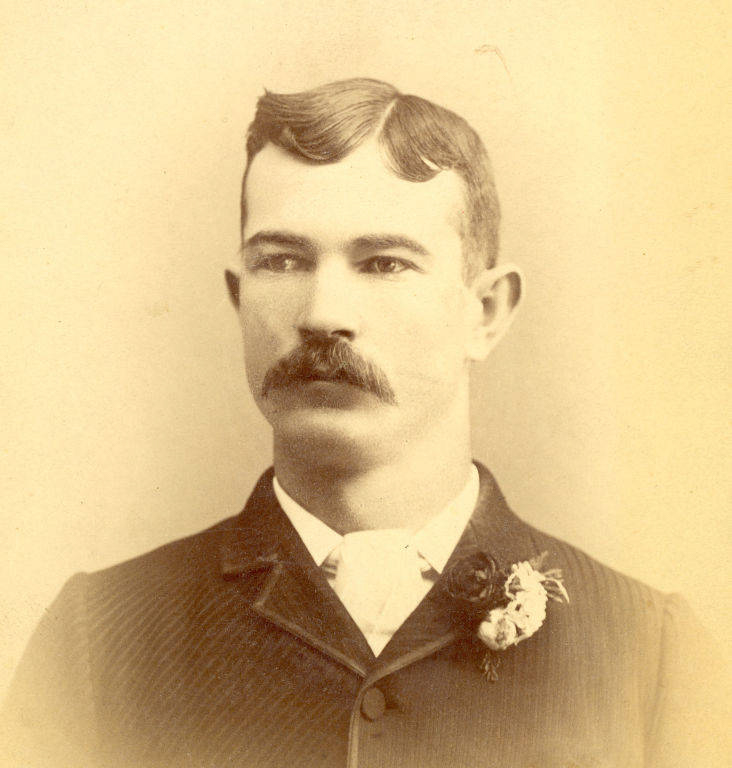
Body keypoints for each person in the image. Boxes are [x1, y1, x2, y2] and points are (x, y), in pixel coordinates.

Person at [2, 78, 725, 768]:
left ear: (486, 312)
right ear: (237, 296)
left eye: (383, 263)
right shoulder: (96, 641)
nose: (321, 314)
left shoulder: (649, 656)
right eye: (281, 261)